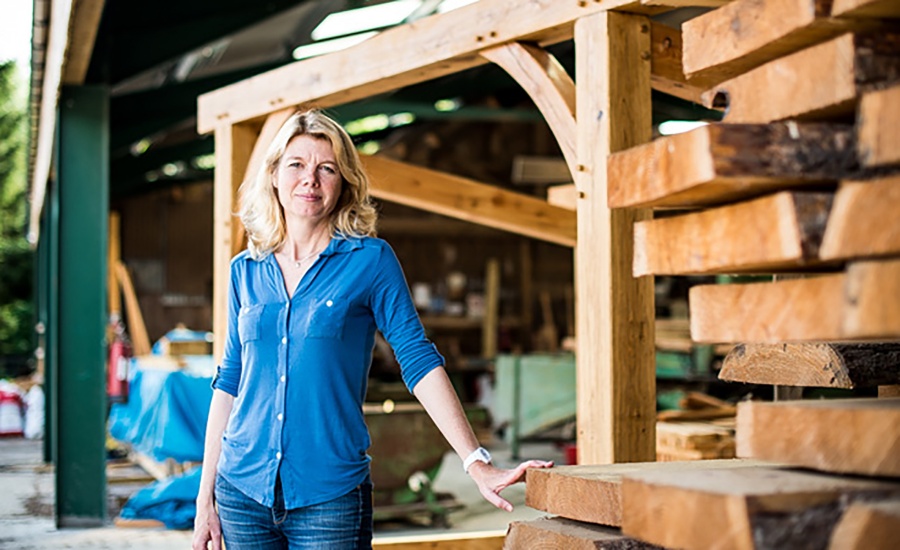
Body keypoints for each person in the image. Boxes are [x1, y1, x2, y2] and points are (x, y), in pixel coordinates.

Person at [192, 110, 552, 550]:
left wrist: (477, 462)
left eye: (326, 168)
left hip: (328, 497)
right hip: (240, 492)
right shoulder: (244, 271)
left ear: (343, 182)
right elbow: (230, 380)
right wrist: (204, 496)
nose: (311, 179)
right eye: (297, 165)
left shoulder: (371, 261)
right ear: (273, 176)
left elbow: (418, 359)